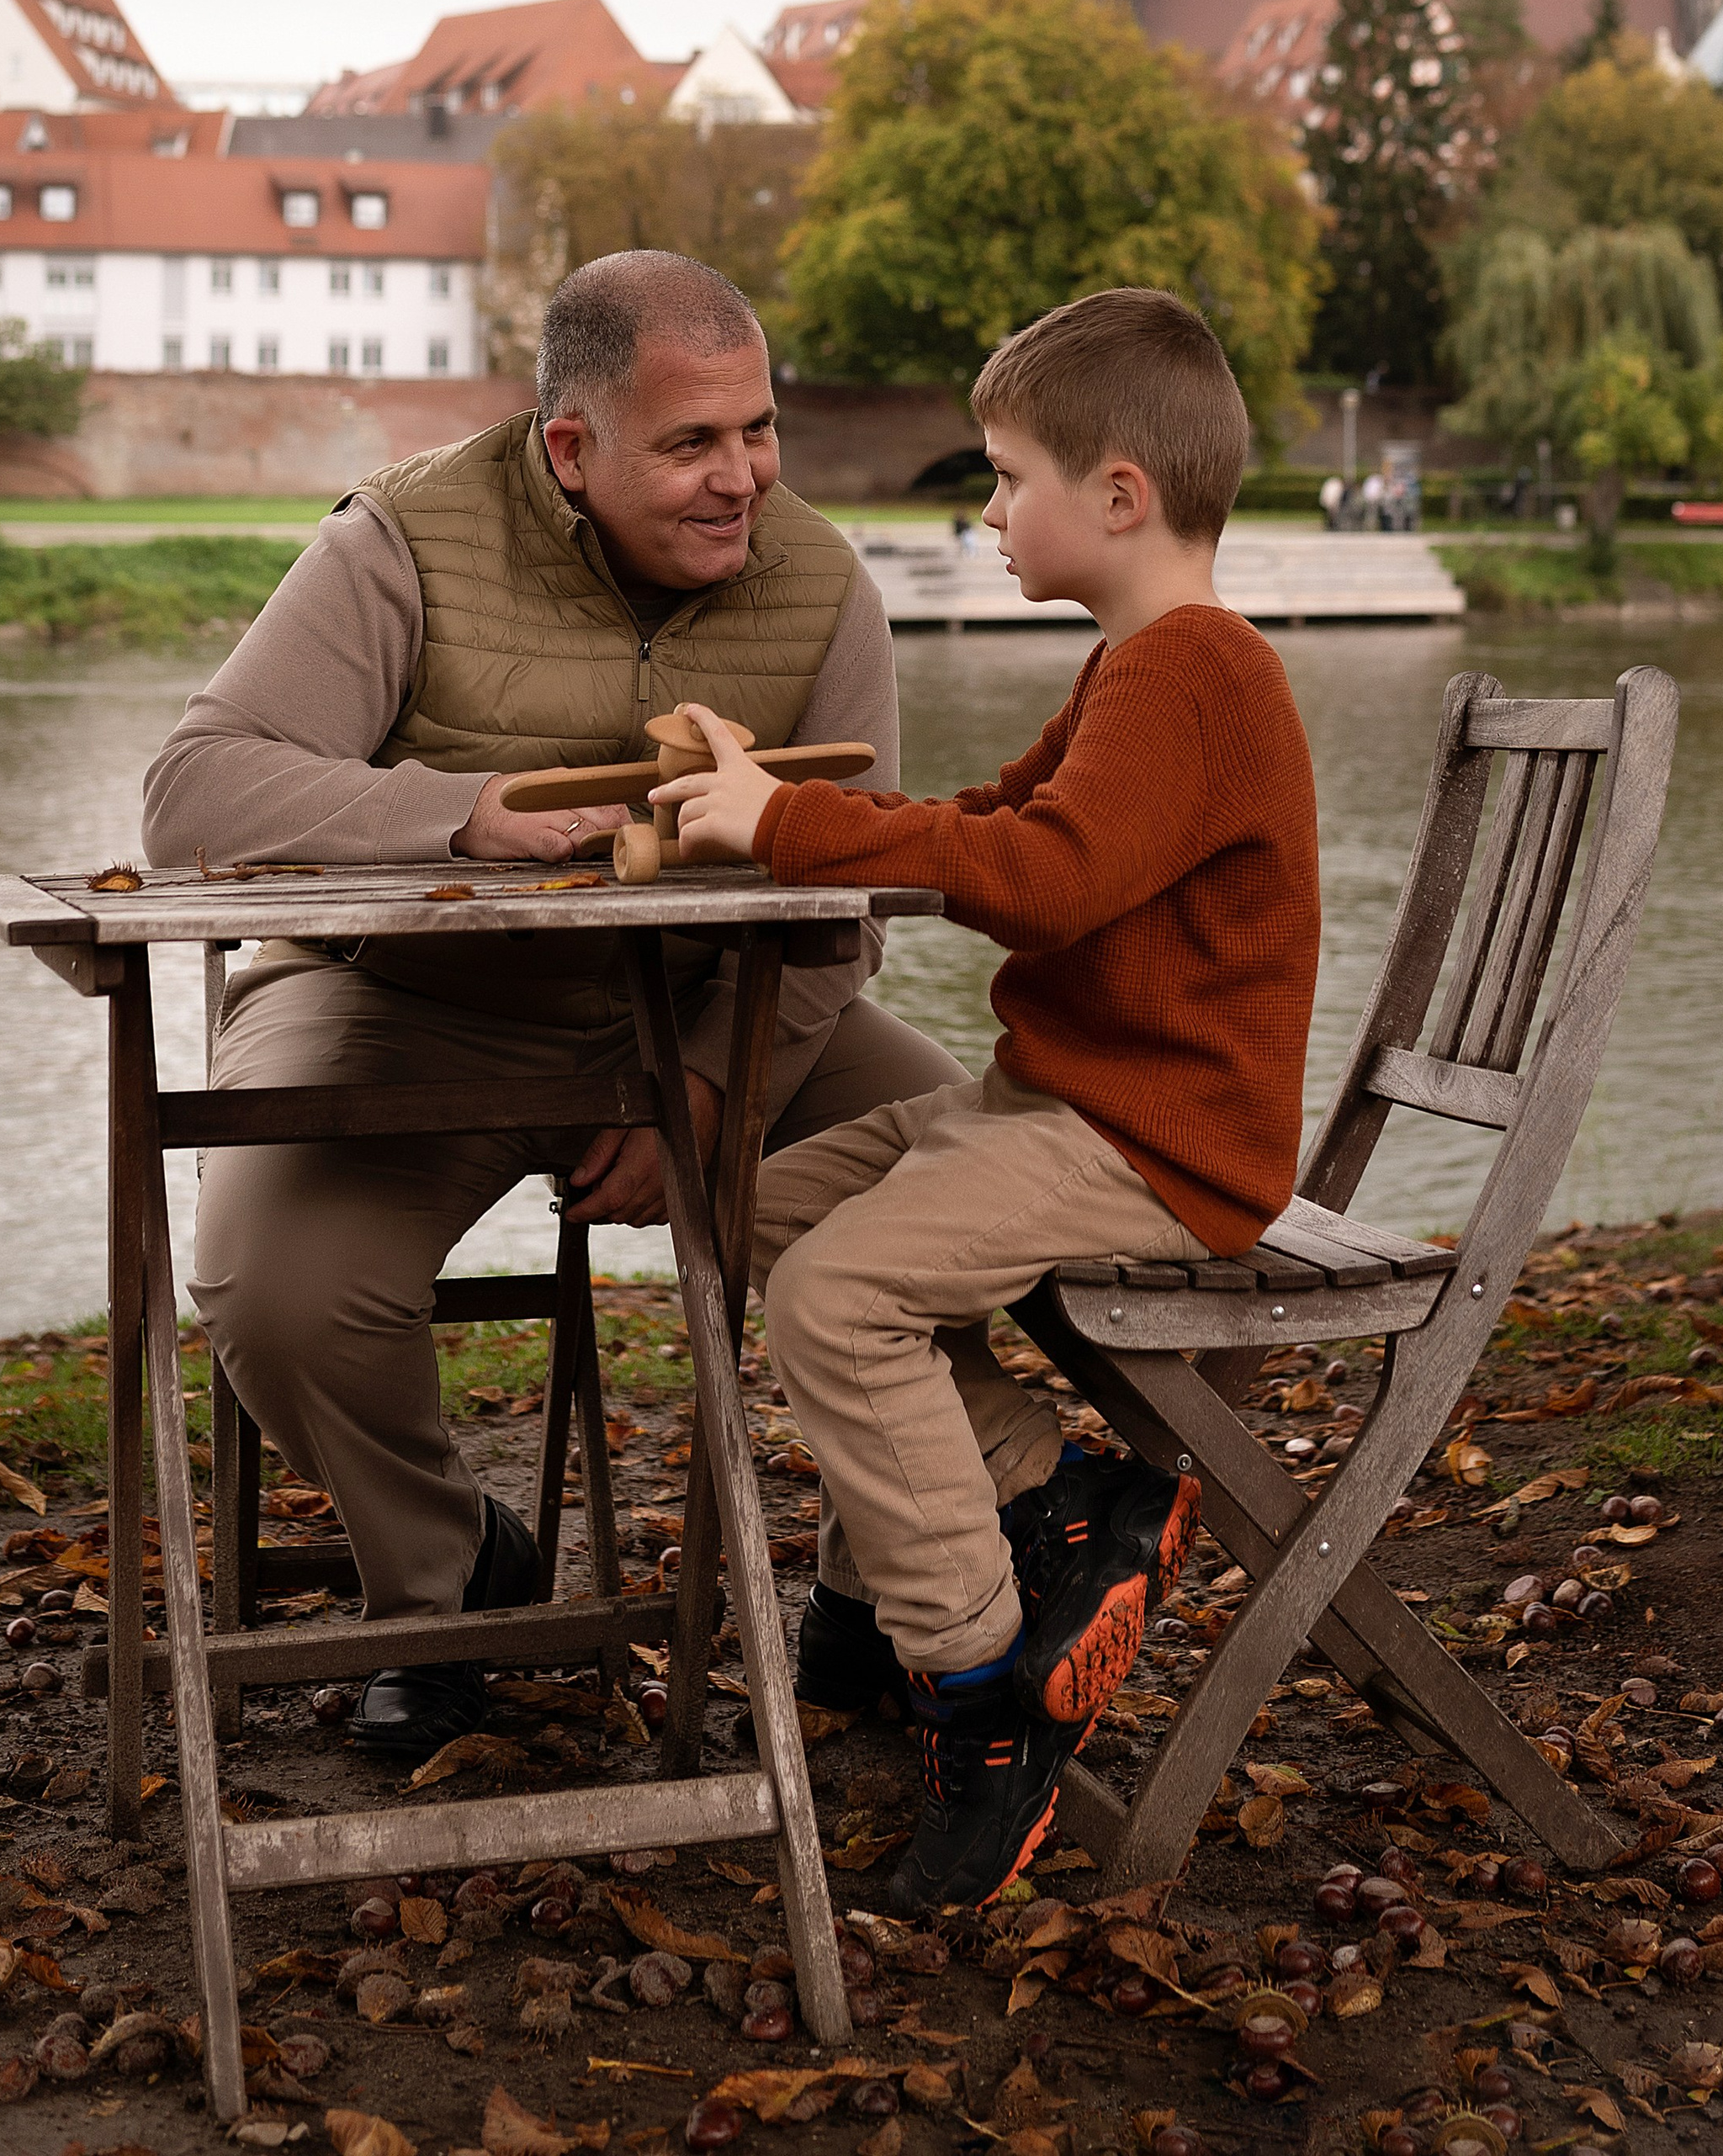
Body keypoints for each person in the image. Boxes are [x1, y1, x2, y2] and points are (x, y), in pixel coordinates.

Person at [142, 250, 966, 1759]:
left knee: (972, 1173)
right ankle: (448, 1580)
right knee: (278, 1289)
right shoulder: (402, 540)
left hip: (715, 1013)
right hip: (403, 1002)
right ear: (570, 450)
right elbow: (193, 789)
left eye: (760, 431)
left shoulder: (825, 580)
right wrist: (459, 814)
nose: (744, 481)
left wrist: (718, 1088)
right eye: (694, 444)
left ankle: (877, 1601)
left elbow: (847, 906)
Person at [654, 288, 1322, 1913]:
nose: (990, 510)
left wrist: (783, 833)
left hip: (1154, 1143)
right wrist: (785, 795)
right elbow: (982, 817)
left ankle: (979, 1687)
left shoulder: (1195, 677)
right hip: (1051, 1105)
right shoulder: (1131, 670)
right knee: (738, 1217)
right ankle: (1053, 1492)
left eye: (1006, 477)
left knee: (837, 1296)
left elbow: (1043, 882)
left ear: (1118, 495)